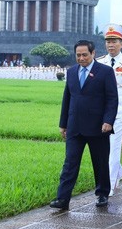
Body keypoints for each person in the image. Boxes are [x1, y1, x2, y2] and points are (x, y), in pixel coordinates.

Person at [50, 40, 118, 210]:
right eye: (78, 55)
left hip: (98, 127)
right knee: (70, 163)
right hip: (75, 127)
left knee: (100, 162)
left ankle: (102, 193)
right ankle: (62, 199)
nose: (81, 58)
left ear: (93, 53)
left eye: (84, 55)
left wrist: (108, 121)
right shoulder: (72, 72)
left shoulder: (105, 72)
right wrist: (63, 123)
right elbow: (67, 98)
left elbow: (112, 99)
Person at [95, 24, 122, 196]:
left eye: (114, 41)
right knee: (102, 148)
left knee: (113, 148)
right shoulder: (99, 62)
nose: (111, 45)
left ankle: (109, 186)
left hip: (120, 112)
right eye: (108, 41)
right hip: (101, 112)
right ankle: (117, 173)